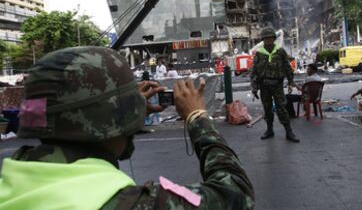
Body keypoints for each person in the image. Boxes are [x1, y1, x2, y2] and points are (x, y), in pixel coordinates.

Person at [0, 47, 254, 210]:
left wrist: (119, 116)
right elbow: (235, 194)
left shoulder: (10, 187)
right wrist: (198, 117)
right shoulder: (134, 204)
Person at [251, 27, 300, 142]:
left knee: (282, 108)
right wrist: (254, 87)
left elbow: (287, 68)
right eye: (266, 38)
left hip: (277, 85)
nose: (268, 40)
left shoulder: (280, 52)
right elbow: (254, 72)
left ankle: (289, 132)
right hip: (264, 86)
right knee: (267, 109)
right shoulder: (259, 53)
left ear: (273, 38)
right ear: (263, 40)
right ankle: (269, 130)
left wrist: (291, 82)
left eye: (270, 38)